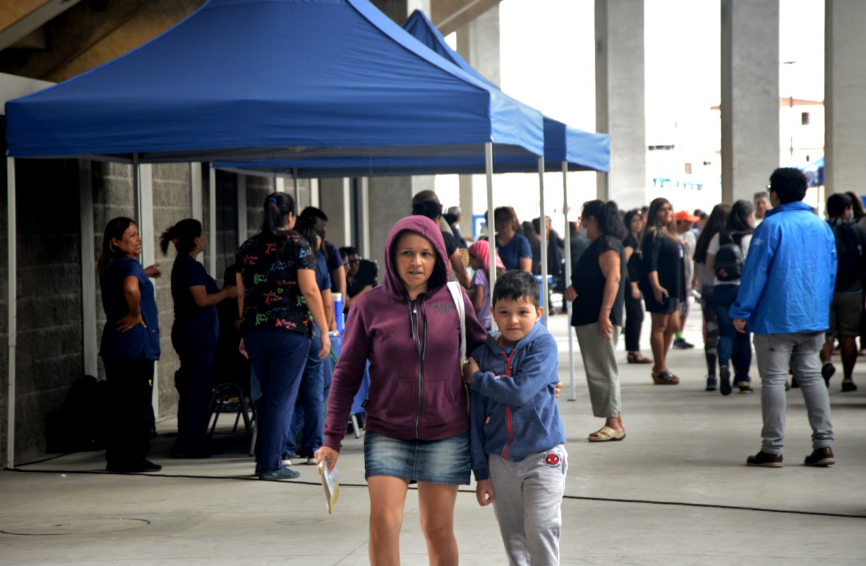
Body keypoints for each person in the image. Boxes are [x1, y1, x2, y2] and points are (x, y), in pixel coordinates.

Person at [317, 215, 488, 565]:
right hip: (387, 430)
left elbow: (486, 353)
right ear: (392, 257)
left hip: (446, 431)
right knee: (383, 524)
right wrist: (332, 437)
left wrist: (530, 378)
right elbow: (346, 374)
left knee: (437, 529)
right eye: (407, 253)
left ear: (438, 257)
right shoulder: (369, 306)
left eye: (426, 253)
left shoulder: (455, 299)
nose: (416, 262)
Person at [731, 168, 836, 468]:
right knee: (812, 376)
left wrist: (741, 310)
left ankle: (772, 449)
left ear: (774, 194)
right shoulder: (820, 226)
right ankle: (824, 446)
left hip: (776, 317)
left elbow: (755, 273)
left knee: (774, 380)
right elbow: (830, 272)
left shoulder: (770, 226)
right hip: (812, 316)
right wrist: (820, 308)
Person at [465, 270, 566, 564]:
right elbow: (476, 419)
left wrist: (478, 379)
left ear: (538, 313)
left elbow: (521, 391)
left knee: (541, 528)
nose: (513, 320)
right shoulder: (482, 355)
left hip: (543, 454)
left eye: (523, 312)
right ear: (493, 313)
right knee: (513, 539)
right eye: (504, 312)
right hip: (500, 462)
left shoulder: (544, 345)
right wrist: (481, 474)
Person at [236, 192, 330, 481]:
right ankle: (270, 464)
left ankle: (266, 459)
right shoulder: (297, 244)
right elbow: (310, 290)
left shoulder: (247, 247)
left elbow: (242, 293)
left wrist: (244, 330)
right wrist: (324, 329)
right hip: (290, 331)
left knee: (269, 396)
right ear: (291, 216)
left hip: (255, 330)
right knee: (281, 398)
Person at [160, 219, 238, 458]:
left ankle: (199, 437)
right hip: (194, 335)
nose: (204, 239)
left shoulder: (190, 265)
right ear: (195, 240)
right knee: (194, 389)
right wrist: (226, 292)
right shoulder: (188, 267)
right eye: (202, 235)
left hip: (199, 334)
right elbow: (202, 300)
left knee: (200, 389)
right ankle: (190, 442)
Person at [97, 217, 163, 473]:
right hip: (135, 346)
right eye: (132, 235)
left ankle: (118, 456)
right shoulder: (129, 265)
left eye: (137, 234)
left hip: (115, 345)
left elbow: (128, 280)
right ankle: (134, 457)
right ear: (116, 241)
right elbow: (131, 288)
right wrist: (135, 313)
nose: (138, 239)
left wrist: (144, 273)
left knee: (119, 403)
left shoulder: (109, 264)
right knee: (137, 403)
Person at [565, 200, 627, 441]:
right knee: (601, 368)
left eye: (583, 220)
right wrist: (574, 288)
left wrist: (604, 314)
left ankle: (613, 423)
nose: (582, 226)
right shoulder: (598, 245)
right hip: (590, 315)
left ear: (592, 220)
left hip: (597, 317)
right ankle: (615, 420)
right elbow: (593, 278)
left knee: (602, 370)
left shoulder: (607, 244)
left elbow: (613, 279)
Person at [284, 216, 335, 465]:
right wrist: (327, 329)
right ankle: (313, 446)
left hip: (287, 328)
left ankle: (285, 447)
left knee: (288, 393)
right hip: (312, 329)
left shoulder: (284, 254)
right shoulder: (317, 259)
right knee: (315, 391)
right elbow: (325, 300)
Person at [706, 200, 755, 395]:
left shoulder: (718, 237)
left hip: (720, 290)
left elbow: (709, 266)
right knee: (743, 337)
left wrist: (721, 277)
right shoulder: (749, 238)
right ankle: (743, 380)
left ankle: (724, 365)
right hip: (741, 291)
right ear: (748, 216)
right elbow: (753, 268)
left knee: (726, 334)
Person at [819, 193, 866, 392]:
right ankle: (847, 378)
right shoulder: (856, 229)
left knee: (825, 333)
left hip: (825, 290)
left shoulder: (820, 229)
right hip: (852, 288)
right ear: (847, 209)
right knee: (849, 336)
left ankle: (826, 364)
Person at [640, 198, 685, 385]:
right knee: (659, 326)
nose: (667, 212)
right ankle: (660, 369)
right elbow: (650, 262)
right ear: (654, 213)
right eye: (662, 209)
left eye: (669, 208)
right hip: (660, 286)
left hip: (672, 286)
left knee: (672, 326)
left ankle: (661, 365)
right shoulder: (653, 234)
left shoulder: (668, 233)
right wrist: (656, 286)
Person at [692, 204, 731, 391]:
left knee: (711, 332)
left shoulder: (703, 238)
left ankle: (712, 376)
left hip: (707, 290)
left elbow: (698, 265)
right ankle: (735, 372)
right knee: (731, 332)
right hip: (727, 288)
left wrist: (700, 283)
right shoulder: (726, 238)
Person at [412, 190, 472, 289]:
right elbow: (462, 274)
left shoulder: (405, 238)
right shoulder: (445, 237)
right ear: (437, 218)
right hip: (444, 290)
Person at [622, 209, 651, 364]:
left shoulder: (636, 239)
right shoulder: (629, 241)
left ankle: (633, 351)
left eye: (640, 220)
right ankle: (633, 351)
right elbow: (625, 263)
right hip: (630, 284)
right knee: (636, 315)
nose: (638, 224)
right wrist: (633, 285)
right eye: (634, 221)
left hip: (634, 283)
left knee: (635, 316)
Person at [299, 207, 346, 299]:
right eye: (321, 227)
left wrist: (339, 305)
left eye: (323, 227)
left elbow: (341, 287)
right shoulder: (295, 248)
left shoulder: (329, 250)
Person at [673, 211, 698, 349]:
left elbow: (695, 256)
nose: (692, 224)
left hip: (688, 277)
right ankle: (676, 335)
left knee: (685, 308)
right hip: (676, 278)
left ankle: (679, 335)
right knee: (675, 309)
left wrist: (696, 276)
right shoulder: (671, 235)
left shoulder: (691, 235)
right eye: (689, 221)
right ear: (682, 222)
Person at [467, 239, 505, 331]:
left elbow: (478, 305)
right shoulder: (501, 273)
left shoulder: (479, 273)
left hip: (483, 323)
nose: (469, 262)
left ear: (478, 258)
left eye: (470, 258)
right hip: (498, 321)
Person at [495, 206, 533, 272]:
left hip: (515, 278)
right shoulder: (489, 241)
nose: (504, 223)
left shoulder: (521, 242)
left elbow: (526, 272)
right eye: (500, 219)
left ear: (513, 221)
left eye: (507, 219)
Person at [340, 246, 377, 312]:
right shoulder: (339, 282)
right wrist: (364, 291)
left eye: (356, 261)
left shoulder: (355, 283)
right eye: (349, 262)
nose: (353, 265)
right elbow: (346, 304)